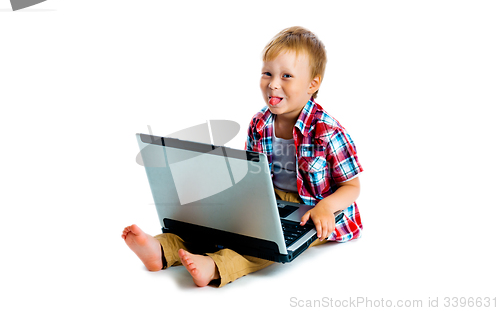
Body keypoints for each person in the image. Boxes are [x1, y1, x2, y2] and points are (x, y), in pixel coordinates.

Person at [122, 26, 364, 287]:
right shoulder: (259, 123)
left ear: (312, 84)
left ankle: (216, 266)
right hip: (268, 199)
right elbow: (252, 172)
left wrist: (326, 207)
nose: (273, 83)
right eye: (267, 73)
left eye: (286, 76)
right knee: (217, 224)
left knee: (266, 244)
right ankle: (161, 249)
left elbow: (351, 186)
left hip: (313, 209)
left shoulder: (328, 131)